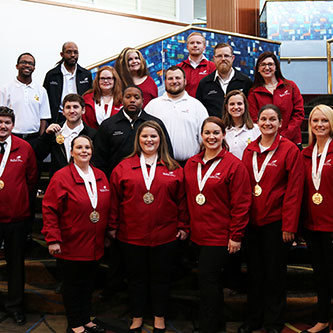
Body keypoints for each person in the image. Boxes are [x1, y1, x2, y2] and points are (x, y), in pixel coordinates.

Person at [109, 120, 189, 332]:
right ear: (138, 139)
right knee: (136, 279)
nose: (149, 140)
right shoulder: (123, 167)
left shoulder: (173, 167)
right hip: (131, 235)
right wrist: (112, 225)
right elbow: (114, 200)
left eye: (153, 136)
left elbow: (182, 200)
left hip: (165, 235)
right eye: (145, 136)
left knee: (161, 278)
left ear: (160, 139)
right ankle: (136, 316)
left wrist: (183, 225)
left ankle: (159, 316)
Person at [239, 104, 304, 333]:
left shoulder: (289, 150)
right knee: (255, 274)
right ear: (257, 122)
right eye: (263, 119)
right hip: (252, 223)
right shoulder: (250, 149)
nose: (267, 123)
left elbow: (294, 191)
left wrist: (289, 225)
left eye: (272, 119)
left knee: (275, 275)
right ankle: (254, 319)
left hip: (277, 224)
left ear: (280, 123)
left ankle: (273, 322)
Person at [184, 116, 251, 333]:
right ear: (201, 136)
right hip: (197, 235)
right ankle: (216, 322)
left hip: (220, 236)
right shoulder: (192, 163)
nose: (211, 137)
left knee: (209, 282)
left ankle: (208, 327)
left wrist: (236, 235)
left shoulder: (234, 165)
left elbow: (241, 204)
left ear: (223, 135)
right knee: (206, 282)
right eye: (207, 133)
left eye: (216, 133)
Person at [42, 135, 109, 333]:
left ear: (92, 150)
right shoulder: (61, 176)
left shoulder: (100, 175)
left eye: (87, 147)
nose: (84, 151)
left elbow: (107, 206)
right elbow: (49, 209)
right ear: (71, 152)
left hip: (94, 243)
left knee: (88, 285)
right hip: (71, 243)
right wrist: (53, 239)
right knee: (73, 286)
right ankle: (75, 324)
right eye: (79, 147)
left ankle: (86, 319)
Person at [0, 107, 38, 325]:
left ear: (13, 125)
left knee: (16, 266)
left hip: (17, 217)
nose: (3, 126)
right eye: (0, 122)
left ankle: (15, 307)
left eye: (7, 122)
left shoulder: (24, 148)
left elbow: (31, 180)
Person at [301, 104, 333, 333]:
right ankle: (322, 319)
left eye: (324, 120)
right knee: (321, 276)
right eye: (315, 121)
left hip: (332, 223)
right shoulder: (304, 153)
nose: (319, 125)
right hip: (312, 225)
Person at [93, 85, 172, 177]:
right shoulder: (108, 125)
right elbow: (99, 158)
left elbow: (167, 153)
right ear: (122, 100)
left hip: (152, 178)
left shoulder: (155, 124)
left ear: (142, 101)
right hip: (118, 179)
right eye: (128, 97)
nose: (132, 100)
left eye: (136, 97)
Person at [145, 66, 208, 166]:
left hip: (191, 165)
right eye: (170, 78)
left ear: (185, 81)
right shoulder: (152, 106)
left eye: (178, 78)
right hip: (160, 165)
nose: (174, 81)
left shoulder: (197, 106)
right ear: (165, 81)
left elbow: (205, 138)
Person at [248, 51, 304, 148]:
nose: (267, 68)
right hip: (266, 142)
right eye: (263, 65)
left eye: (270, 64)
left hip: (291, 141)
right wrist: (270, 137)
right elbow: (254, 119)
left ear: (276, 67)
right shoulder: (254, 92)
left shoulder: (290, 86)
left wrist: (285, 135)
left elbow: (298, 113)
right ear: (258, 69)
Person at [33, 93, 96, 178]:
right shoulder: (54, 132)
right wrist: (46, 135)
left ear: (83, 110)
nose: (72, 111)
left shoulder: (92, 134)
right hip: (58, 179)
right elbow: (39, 154)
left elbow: (96, 161)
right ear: (63, 112)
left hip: (83, 179)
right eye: (68, 107)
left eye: (76, 107)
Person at [0, 52, 51, 144]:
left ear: (34, 68)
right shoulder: (6, 89)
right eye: (23, 62)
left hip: (34, 138)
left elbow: (44, 118)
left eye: (30, 63)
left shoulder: (41, 90)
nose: (27, 65)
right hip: (12, 137)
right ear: (17, 66)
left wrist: (41, 138)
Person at [196, 43, 253, 118]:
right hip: (214, 128)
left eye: (226, 56)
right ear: (214, 59)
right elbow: (199, 112)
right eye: (219, 56)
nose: (223, 59)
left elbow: (250, 110)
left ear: (232, 58)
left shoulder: (246, 82)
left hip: (239, 128)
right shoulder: (204, 83)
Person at [43, 42, 92, 123]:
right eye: (69, 52)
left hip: (80, 117)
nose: (73, 55)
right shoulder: (52, 75)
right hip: (58, 118)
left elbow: (90, 97)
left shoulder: (86, 74)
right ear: (62, 54)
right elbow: (45, 100)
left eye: (75, 52)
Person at [222, 90, 261, 159]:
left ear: (245, 106)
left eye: (239, 103)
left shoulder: (256, 129)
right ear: (226, 107)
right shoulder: (222, 131)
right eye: (232, 104)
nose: (236, 107)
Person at [177, 32, 215, 97]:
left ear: (204, 47)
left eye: (198, 43)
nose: (195, 45)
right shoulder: (179, 68)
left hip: (205, 106)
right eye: (192, 43)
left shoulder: (212, 67)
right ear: (187, 47)